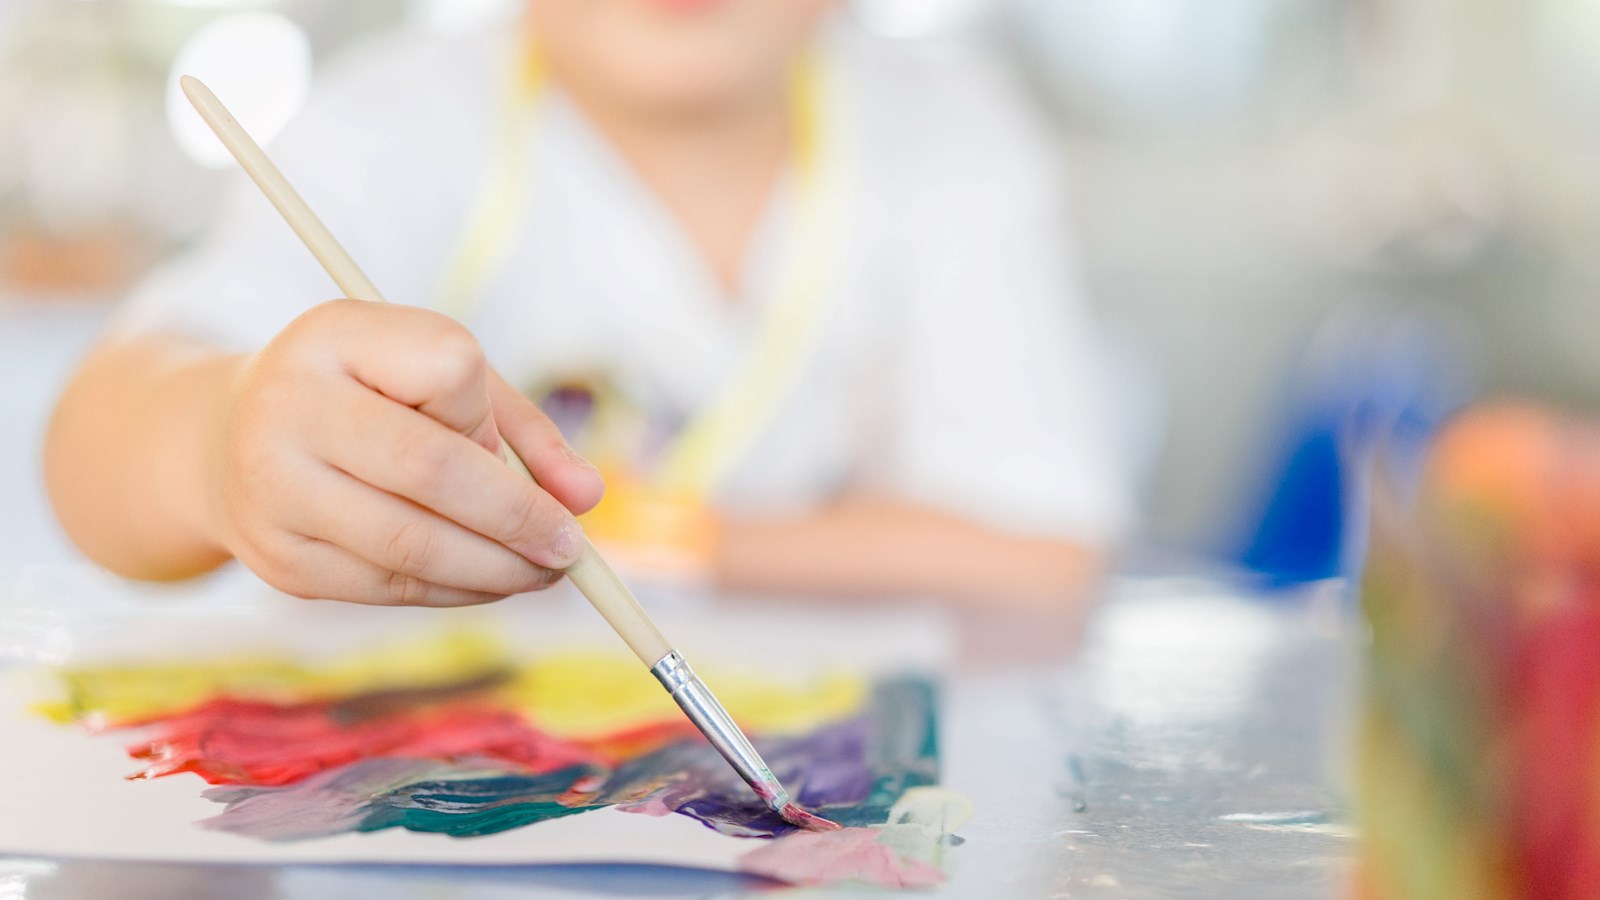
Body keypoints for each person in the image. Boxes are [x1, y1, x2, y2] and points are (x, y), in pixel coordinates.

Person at [44, 0, 1130, 611]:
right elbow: (93, 457)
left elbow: (1037, 551)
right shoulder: (389, 120)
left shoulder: (950, 134)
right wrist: (218, 446)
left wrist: (646, 530)